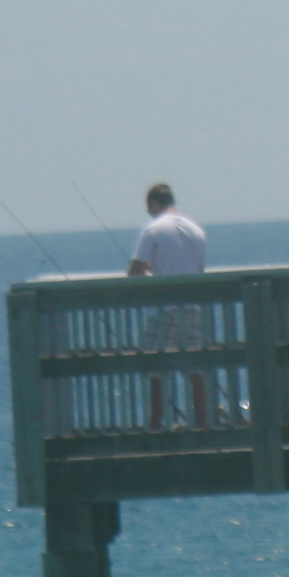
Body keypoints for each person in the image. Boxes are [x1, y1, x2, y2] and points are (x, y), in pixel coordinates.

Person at [125, 182, 212, 430]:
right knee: (196, 369)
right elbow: (197, 268)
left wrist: (148, 272)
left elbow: (136, 270)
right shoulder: (196, 230)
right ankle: (203, 423)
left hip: (164, 308)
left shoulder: (153, 230)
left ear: (154, 204)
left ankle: (155, 424)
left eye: (149, 208)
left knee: (156, 369)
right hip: (193, 306)